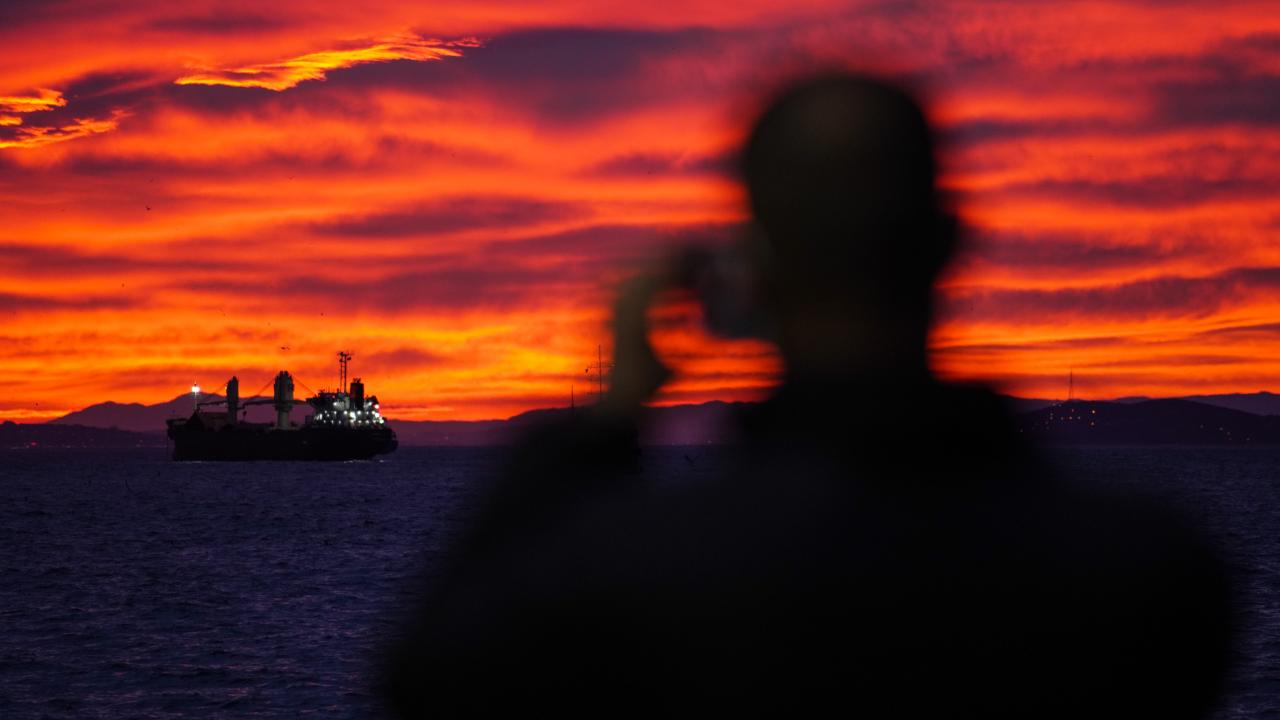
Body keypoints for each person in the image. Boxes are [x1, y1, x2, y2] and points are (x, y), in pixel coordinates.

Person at [384, 74, 1233, 718]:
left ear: (750, 272)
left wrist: (610, 419)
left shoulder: (627, 575)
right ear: (949, 246)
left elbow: (430, 682)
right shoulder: (1151, 578)